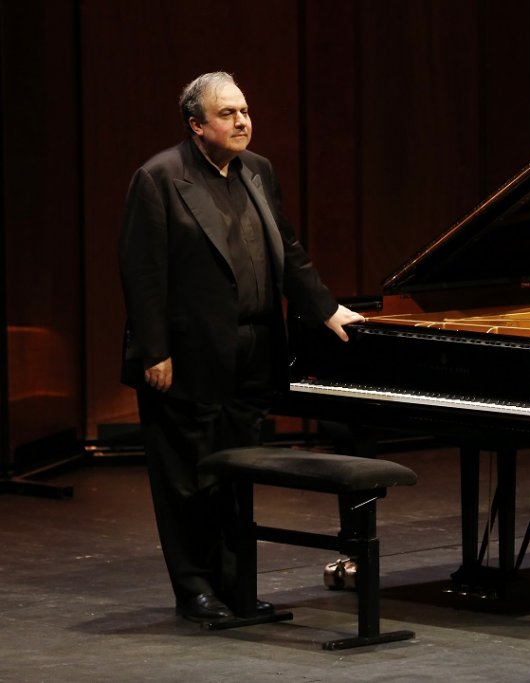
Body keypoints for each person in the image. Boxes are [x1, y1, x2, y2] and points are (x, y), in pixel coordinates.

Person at [118, 71, 363, 623]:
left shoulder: (258, 170)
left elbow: (288, 249)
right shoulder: (160, 178)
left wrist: (326, 308)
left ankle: (235, 586)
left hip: (253, 352)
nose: (242, 122)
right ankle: (195, 590)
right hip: (187, 356)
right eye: (227, 114)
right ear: (196, 124)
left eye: (245, 111)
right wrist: (154, 351)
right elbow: (142, 272)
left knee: (239, 474)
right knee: (188, 478)